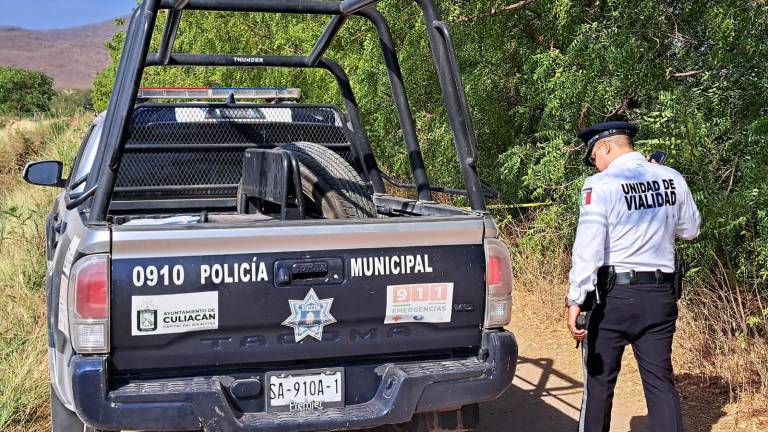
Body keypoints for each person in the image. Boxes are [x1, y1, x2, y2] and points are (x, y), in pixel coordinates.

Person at [565, 121, 701, 432]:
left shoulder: (600, 184)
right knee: (660, 383)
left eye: (594, 157)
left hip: (615, 299)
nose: (595, 165)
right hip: (660, 298)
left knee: (599, 385)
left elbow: (589, 246)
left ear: (606, 147)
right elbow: (690, 229)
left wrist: (576, 297)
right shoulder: (671, 178)